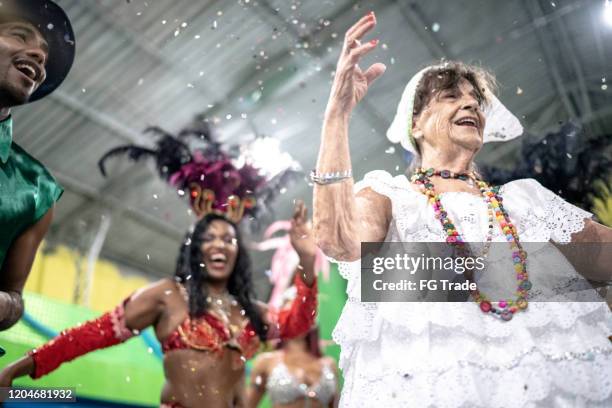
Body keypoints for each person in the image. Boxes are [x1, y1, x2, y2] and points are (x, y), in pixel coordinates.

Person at [312, 11, 612, 407]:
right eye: (451, 96)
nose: (471, 102)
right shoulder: (391, 196)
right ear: (415, 124)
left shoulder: (526, 201)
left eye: (476, 99)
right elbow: (339, 240)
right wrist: (336, 116)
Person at [0, 201, 318, 408]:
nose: (220, 244)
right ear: (195, 250)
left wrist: (305, 261)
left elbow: (299, 322)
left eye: (229, 239)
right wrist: (16, 369)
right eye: (210, 237)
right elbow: (90, 335)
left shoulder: (251, 310)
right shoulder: (168, 296)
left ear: (238, 254)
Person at [0, 0, 75, 330]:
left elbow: (14, 297)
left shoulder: (36, 188)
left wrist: (5, 305)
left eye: (44, 54)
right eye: (20, 35)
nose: (39, 56)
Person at [247, 318, 338, 408]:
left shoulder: (329, 364)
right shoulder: (266, 361)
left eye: (303, 313)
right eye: (293, 315)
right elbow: (248, 404)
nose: (298, 319)